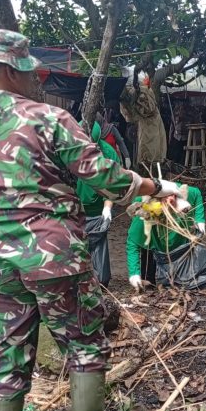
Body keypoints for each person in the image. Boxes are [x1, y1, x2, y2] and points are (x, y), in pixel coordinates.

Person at [0, 29, 182, 411]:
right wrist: (153, 186)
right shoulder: (47, 119)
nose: (36, 81)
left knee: (4, 348)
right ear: (11, 70)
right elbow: (103, 174)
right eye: (29, 72)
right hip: (53, 251)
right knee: (83, 341)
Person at [126, 184, 206, 290]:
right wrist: (134, 273)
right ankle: (150, 281)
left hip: (182, 240)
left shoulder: (185, 194)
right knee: (148, 253)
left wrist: (199, 220)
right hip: (156, 242)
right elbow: (133, 244)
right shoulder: (145, 212)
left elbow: (197, 193)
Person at [76, 120, 118, 287]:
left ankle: (101, 280)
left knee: (99, 241)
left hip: (99, 208)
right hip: (76, 207)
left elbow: (114, 184)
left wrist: (107, 208)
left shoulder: (107, 152)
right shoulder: (71, 151)